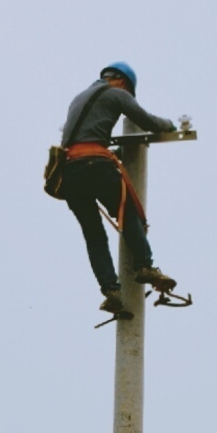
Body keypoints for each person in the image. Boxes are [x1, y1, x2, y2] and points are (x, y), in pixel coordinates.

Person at [54, 62, 180, 318]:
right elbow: (149, 122)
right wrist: (170, 125)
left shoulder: (78, 98)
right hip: (96, 167)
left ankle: (110, 290)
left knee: (93, 234)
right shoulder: (117, 94)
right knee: (128, 214)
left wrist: (117, 154)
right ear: (123, 82)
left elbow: (84, 141)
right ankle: (144, 266)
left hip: (70, 173)